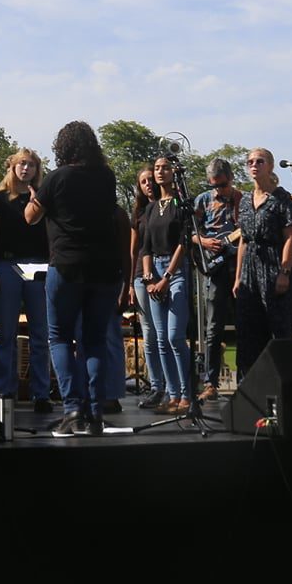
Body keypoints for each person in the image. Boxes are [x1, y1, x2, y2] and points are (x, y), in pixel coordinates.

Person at [26, 121, 125, 437]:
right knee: (94, 340)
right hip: (105, 269)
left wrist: (34, 196)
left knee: (59, 337)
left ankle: (71, 411)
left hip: (67, 266)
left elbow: (31, 217)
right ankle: (95, 413)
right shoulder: (105, 178)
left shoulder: (57, 178)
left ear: (63, 147)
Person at [0, 148, 53, 412]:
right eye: (21, 164)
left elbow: (49, 234)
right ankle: (3, 391)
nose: (26, 169)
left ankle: (41, 393)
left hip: (38, 264)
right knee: (5, 334)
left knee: (40, 333)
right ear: (12, 167)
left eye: (31, 166)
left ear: (37, 170)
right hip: (6, 264)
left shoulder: (43, 197)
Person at [233, 149, 292, 381]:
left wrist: (284, 271)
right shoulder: (243, 201)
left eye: (259, 161)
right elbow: (243, 239)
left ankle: (282, 384)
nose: (254, 165)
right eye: (250, 162)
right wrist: (238, 276)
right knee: (248, 329)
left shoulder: (282, 198)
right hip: (249, 267)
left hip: (273, 264)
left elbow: (290, 236)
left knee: (277, 327)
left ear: (270, 166)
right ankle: (249, 386)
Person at [138, 160, 196, 414]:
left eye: (165, 167)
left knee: (174, 336)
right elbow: (146, 247)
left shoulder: (182, 205)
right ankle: (173, 396)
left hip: (176, 270)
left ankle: (187, 396)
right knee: (161, 339)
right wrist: (150, 278)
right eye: (157, 168)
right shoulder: (151, 208)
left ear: (175, 173)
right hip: (155, 272)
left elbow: (184, 242)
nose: (160, 172)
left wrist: (167, 277)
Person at [192, 158, 241, 399]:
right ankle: (210, 383)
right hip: (213, 267)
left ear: (230, 178)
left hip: (239, 265)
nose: (217, 190)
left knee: (245, 326)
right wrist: (203, 241)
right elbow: (189, 231)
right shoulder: (203, 199)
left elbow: (250, 230)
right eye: (213, 185)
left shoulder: (243, 199)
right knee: (213, 328)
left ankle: (245, 379)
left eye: (221, 185)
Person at [127, 166, 165, 407]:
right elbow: (132, 250)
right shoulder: (139, 213)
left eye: (151, 180)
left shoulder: (168, 207)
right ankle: (156, 385)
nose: (148, 184)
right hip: (141, 275)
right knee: (149, 333)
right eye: (143, 181)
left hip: (165, 271)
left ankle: (173, 386)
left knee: (166, 334)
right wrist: (130, 282)